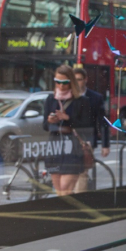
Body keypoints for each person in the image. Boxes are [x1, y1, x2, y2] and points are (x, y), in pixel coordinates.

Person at [42, 65, 94, 197]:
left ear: (71, 82)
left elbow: (86, 125)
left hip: (72, 146)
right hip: (55, 145)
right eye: (57, 82)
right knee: (59, 190)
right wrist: (50, 120)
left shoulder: (81, 101)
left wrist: (68, 118)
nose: (60, 86)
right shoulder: (50, 99)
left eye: (64, 82)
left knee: (66, 189)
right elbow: (44, 125)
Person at [72, 66, 111, 193]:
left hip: (86, 141)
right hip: (68, 140)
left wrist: (105, 144)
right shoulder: (68, 96)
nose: (77, 82)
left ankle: (77, 203)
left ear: (86, 80)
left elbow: (103, 122)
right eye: (74, 80)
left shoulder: (95, 97)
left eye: (79, 79)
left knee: (82, 172)